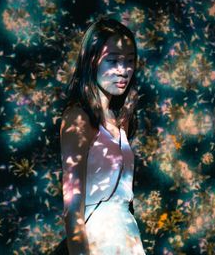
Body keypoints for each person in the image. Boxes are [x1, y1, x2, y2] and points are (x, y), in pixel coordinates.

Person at [60, 18, 146, 255]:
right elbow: (72, 206)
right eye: (113, 60)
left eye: (130, 61)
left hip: (127, 236)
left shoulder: (122, 119)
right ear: (92, 61)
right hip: (97, 239)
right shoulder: (78, 117)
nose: (124, 70)